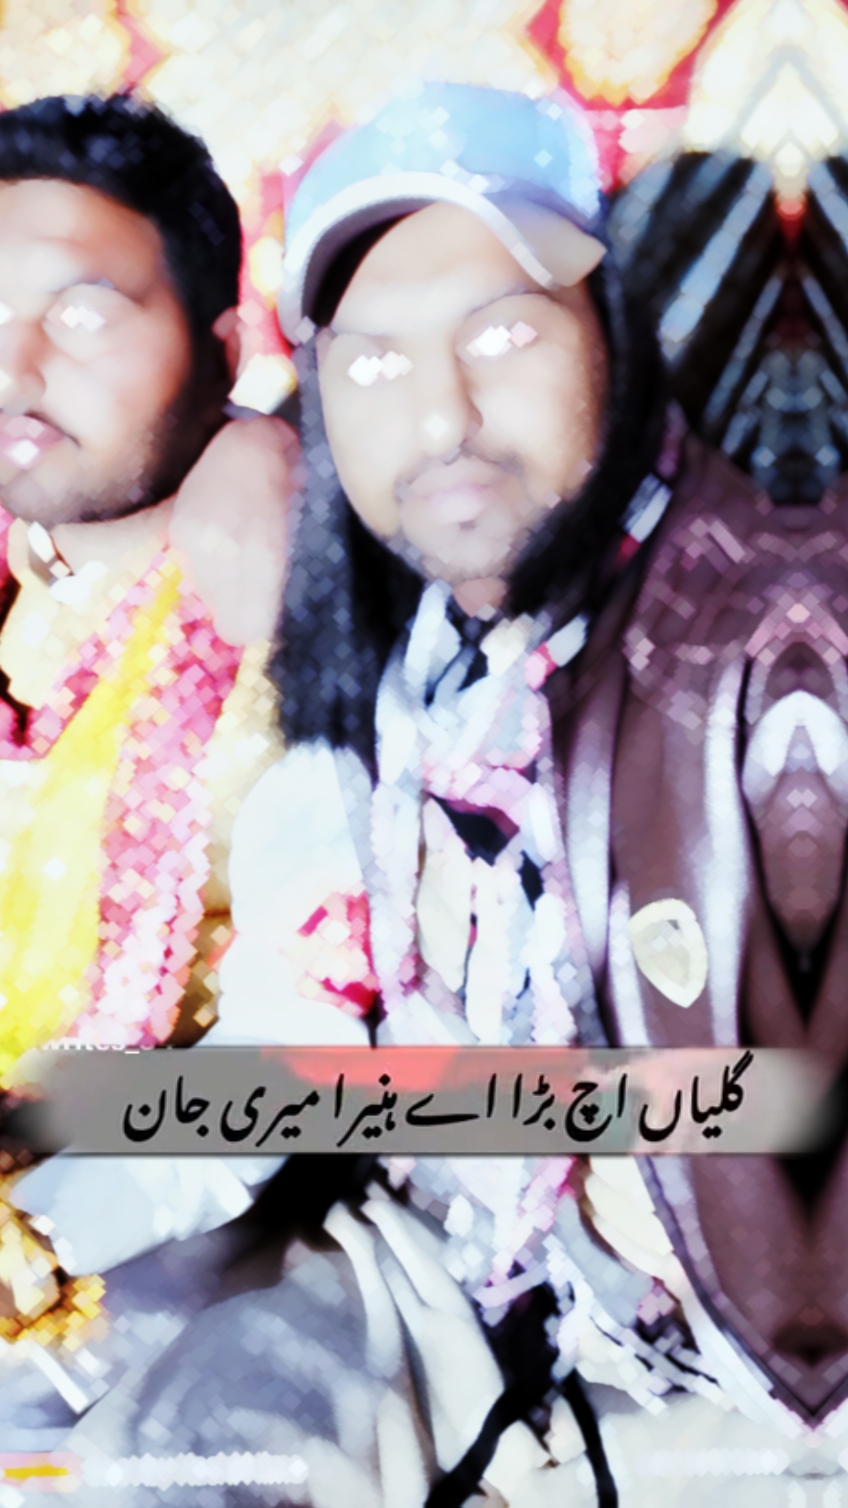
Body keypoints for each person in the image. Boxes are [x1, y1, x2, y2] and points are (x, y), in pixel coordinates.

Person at [41, 85, 848, 1503]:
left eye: (505, 334)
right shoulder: (386, 657)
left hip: (757, 1359)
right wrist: (52, 1201)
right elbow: (301, 1040)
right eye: (371, 364)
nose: (439, 416)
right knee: (144, 1462)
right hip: (473, 1276)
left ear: (619, 338)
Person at [0, 92, 294, 1391]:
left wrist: (49, 1227)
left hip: (168, 1280)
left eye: (81, 315)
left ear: (221, 347)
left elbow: (305, 1052)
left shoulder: (282, 607)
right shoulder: (23, 563)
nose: (15, 368)